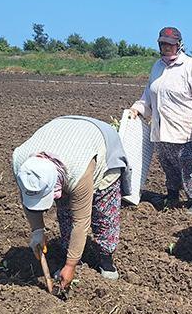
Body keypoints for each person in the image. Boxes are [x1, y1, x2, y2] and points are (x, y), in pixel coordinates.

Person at [12, 116, 131, 290]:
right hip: (63, 132)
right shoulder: (21, 165)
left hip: (100, 142)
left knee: (104, 211)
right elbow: (27, 199)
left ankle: (106, 258)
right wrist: (37, 231)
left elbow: (81, 221)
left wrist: (70, 265)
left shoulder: (78, 171)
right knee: (65, 212)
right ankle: (73, 254)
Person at [128, 26, 192, 215]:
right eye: (163, 44)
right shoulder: (157, 67)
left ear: (179, 45)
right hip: (161, 129)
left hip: (186, 131)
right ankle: (172, 194)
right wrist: (137, 109)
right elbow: (148, 95)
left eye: (170, 44)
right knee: (168, 164)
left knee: (191, 166)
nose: (167, 47)